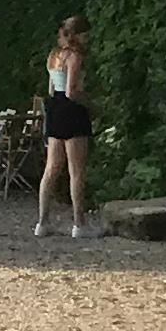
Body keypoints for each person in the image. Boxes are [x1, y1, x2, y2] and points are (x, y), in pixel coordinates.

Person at [37, 15, 95, 238]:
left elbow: (53, 89)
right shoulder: (75, 57)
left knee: (51, 168)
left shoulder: (53, 56)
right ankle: (79, 224)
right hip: (72, 110)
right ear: (77, 35)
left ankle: (43, 221)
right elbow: (72, 91)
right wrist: (90, 104)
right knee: (76, 170)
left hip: (54, 109)